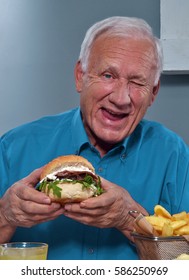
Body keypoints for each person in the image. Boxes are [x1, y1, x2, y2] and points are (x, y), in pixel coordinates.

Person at [0, 16, 189, 260]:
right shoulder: (14, 147)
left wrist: (129, 217)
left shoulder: (173, 155)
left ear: (153, 93)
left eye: (136, 82)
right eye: (108, 76)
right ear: (81, 76)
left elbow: (183, 260)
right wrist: (5, 216)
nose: (121, 98)